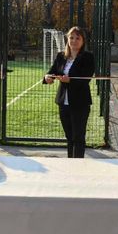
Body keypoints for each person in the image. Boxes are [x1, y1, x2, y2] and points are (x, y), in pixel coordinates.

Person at [44, 26, 95, 158]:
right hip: (63, 103)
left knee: (78, 137)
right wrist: (47, 78)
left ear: (83, 41)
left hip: (80, 103)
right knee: (69, 136)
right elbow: (52, 71)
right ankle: (70, 163)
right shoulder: (61, 56)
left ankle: (77, 165)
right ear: (67, 38)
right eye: (71, 37)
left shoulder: (88, 57)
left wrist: (69, 81)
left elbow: (85, 80)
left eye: (78, 38)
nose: (74, 40)